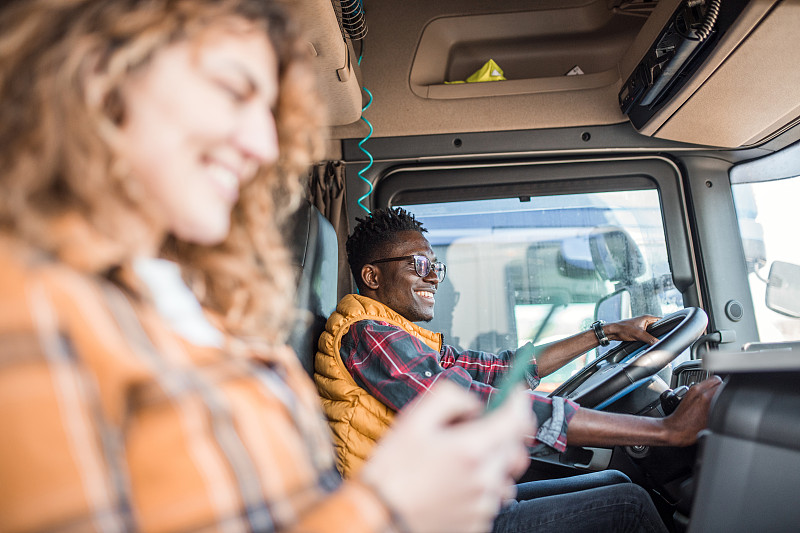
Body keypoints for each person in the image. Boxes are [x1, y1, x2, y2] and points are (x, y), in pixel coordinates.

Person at [0, 2, 535, 532]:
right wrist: (389, 509)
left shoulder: (192, 300)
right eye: (234, 90)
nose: (261, 145)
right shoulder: (28, 304)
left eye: (270, 114)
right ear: (103, 72)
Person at [315, 207, 723, 532]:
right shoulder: (369, 336)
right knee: (628, 507)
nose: (434, 278)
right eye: (419, 265)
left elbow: (501, 370)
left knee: (617, 484)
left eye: (435, 267)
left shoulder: (399, 336)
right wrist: (665, 431)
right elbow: (478, 406)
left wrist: (606, 332)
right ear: (371, 276)